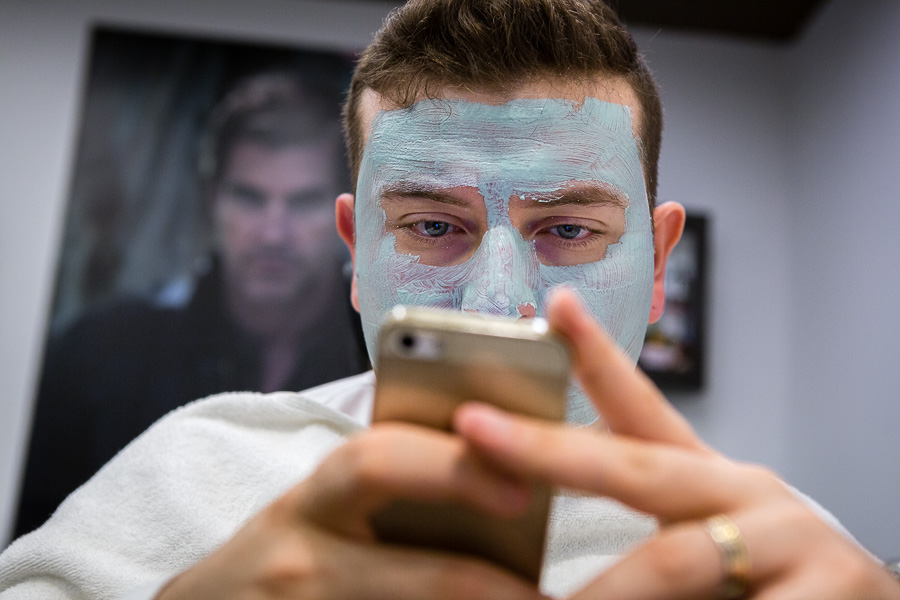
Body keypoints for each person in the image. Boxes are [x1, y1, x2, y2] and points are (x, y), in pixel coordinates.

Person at [2, 0, 899, 598]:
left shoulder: (778, 549)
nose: (497, 305)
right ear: (356, 256)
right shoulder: (196, 466)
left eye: (568, 231)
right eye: (435, 228)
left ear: (659, 263)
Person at [13, 71, 368, 538]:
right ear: (211, 200)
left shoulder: (381, 362)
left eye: (303, 202)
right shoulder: (99, 354)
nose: (273, 233)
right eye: (249, 197)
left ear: (345, 215)